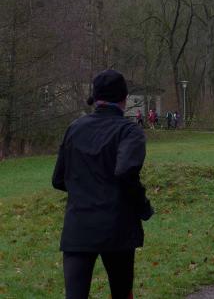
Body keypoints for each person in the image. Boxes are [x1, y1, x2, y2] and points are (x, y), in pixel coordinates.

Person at [52, 69, 154, 299]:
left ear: (96, 98)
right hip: (117, 226)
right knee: (121, 293)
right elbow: (125, 172)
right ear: (124, 99)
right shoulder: (129, 131)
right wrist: (143, 206)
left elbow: (58, 179)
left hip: (79, 226)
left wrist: (85, 189)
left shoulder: (74, 128)